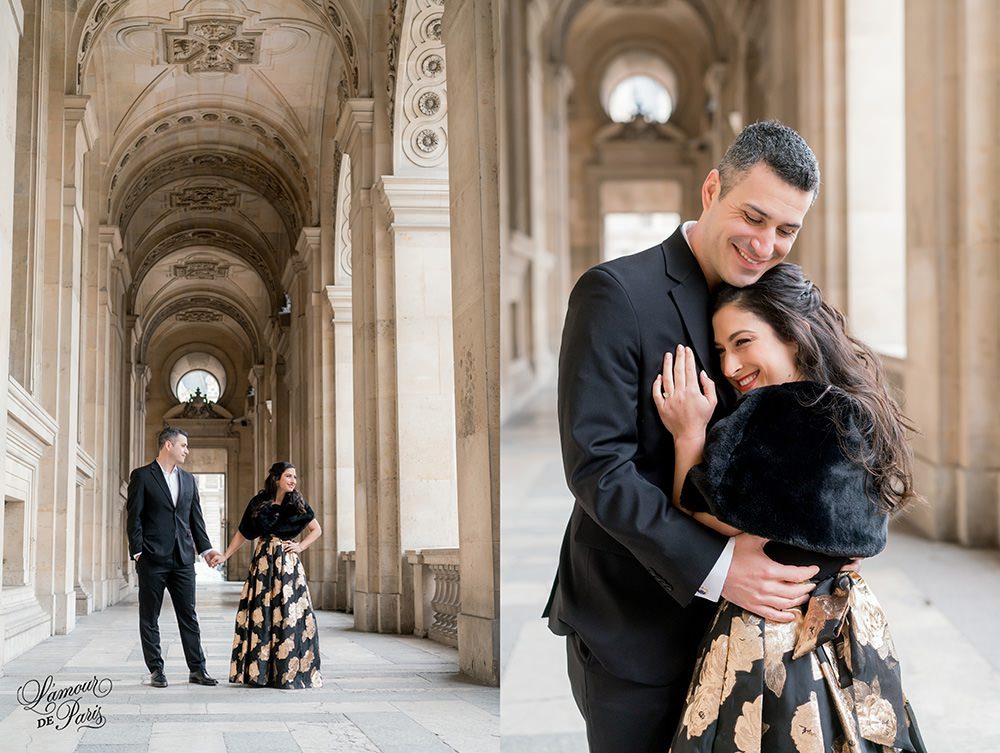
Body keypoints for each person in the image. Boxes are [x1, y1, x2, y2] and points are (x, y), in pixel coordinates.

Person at [543, 120, 823, 752]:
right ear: (710, 189)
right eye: (753, 217)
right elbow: (598, 469)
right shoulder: (614, 294)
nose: (765, 244)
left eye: (786, 229)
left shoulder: (779, 297)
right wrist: (721, 568)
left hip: (755, 634)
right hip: (635, 627)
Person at [653, 263, 923, 752]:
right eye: (720, 351)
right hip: (852, 620)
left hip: (772, 628)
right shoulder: (854, 405)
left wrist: (688, 434)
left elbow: (696, 506)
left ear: (793, 337)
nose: (730, 366)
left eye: (743, 342)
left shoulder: (772, 412)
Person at [126, 426, 223, 688]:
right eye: (183, 445)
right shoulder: (143, 476)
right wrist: (138, 552)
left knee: (188, 615)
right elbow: (133, 518)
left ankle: (197, 669)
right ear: (168, 445)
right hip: (152, 559)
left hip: (182, 559)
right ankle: (156, 670)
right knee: (150, 616)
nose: (187, 450)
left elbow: (196, 521)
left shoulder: (190, 480)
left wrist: (206, 550)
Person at [219, 461, 323, 689]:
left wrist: (300, 547)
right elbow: (243, 533)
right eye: (288, 476)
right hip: (263, 563)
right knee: (262, 613)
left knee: (288, 614)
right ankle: (260, 673)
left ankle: (287, 672)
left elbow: (316, 530)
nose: (293, 481)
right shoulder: (259, 503)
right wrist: (225, 556)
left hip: (288, 565)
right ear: (276, 478)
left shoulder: (297, 503)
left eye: (295, 477)